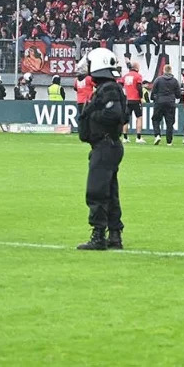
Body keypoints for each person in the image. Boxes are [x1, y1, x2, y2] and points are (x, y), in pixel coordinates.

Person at [76, 48, 127, 251]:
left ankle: (98, 235)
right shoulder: (107, 88)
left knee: (96, 190)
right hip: (108, 145)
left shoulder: (108, 89)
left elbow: (114, 115)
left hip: (105, 145)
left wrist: (91, 116)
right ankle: (114, 234)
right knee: (110, 191)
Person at [150, 64, 182, 145]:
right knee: (170, 122)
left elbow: (153, 91)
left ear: (163, 70)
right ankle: (169, 141)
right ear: (171, 71)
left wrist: (153, 98)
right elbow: (178, 94)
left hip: (159, 102)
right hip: (170, 103)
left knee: (156, 119)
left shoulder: (158, 79)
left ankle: (157, 135)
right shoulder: (174, 81)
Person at [121, 60, 146, 143]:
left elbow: (119, 84)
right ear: (137, 68)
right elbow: (139, 88)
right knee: (139, 117)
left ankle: (125, 137)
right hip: (135, 100)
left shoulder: (125, 76)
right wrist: (141, 97)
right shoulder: (138, 76)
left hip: (127, 99)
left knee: (126, 118)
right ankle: (138, 137)